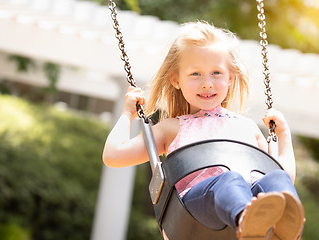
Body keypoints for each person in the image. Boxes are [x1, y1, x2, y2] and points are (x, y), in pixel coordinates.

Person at [103, 21, 305, 240]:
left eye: (216, 72)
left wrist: (283, 136)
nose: (207, 83)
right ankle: (247, 221)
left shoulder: (247, 128)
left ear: (230, 77)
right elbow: (113, 155)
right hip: (195, 211)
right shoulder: (173, 128)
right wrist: (126, 115)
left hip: (250, 199)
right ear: (176, 80)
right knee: (229, 180)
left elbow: (284, 174)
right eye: (195, 74)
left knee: (276, 180)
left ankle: (285, 226)